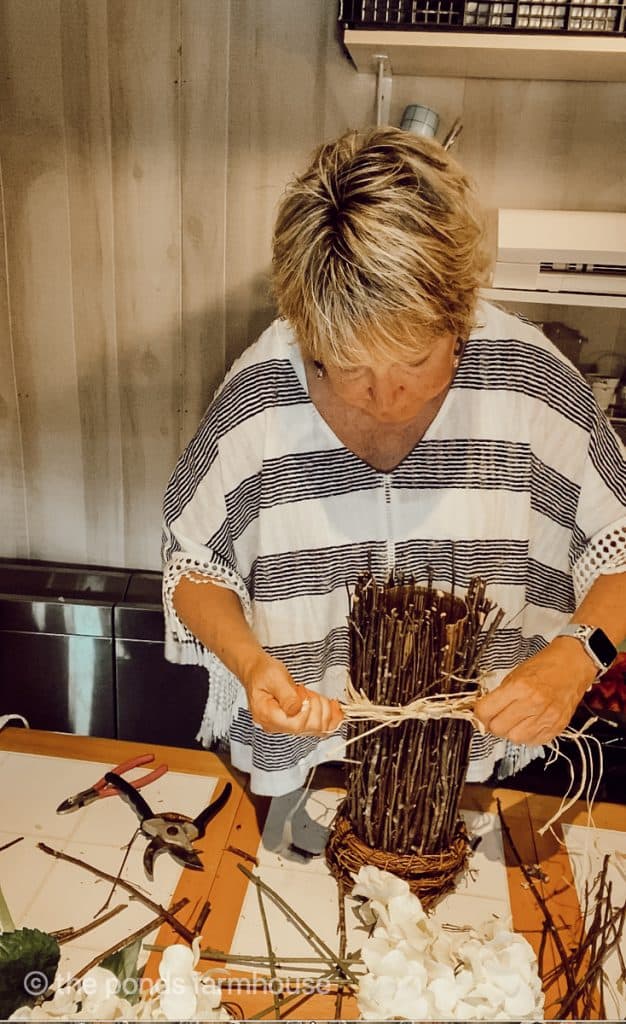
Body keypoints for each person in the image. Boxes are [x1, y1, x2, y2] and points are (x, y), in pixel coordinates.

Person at [162, 127, 626, 797]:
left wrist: (580, 656)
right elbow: (193, 564)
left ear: (460, 320)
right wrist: (248, 662)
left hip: (467, 767)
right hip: (308, 763)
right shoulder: (262, 392)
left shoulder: (528, 380)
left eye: (414, 361)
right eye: (348, 367)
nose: (386, 398)